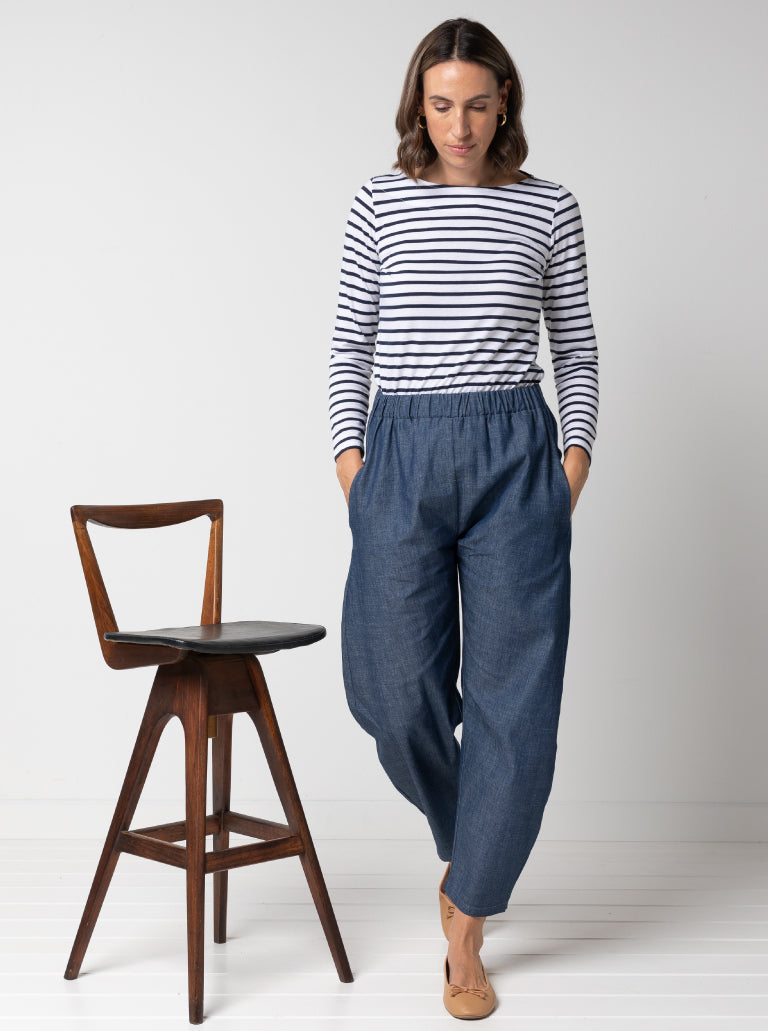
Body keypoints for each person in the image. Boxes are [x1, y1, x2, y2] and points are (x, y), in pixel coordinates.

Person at [328, 16, 598, 1020]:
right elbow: (349, 342)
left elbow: (576, 345)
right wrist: (353, 468)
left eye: (477, 104)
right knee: (390, 689)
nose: (459, 124)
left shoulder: (550, 207)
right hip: (398, 451)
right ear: (419, 105)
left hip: (515, 454)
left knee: (513, 704)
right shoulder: (380, 201)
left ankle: (467, 929)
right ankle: (471, 835)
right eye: (441, 105)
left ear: (504, 102)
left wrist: (572, 465)